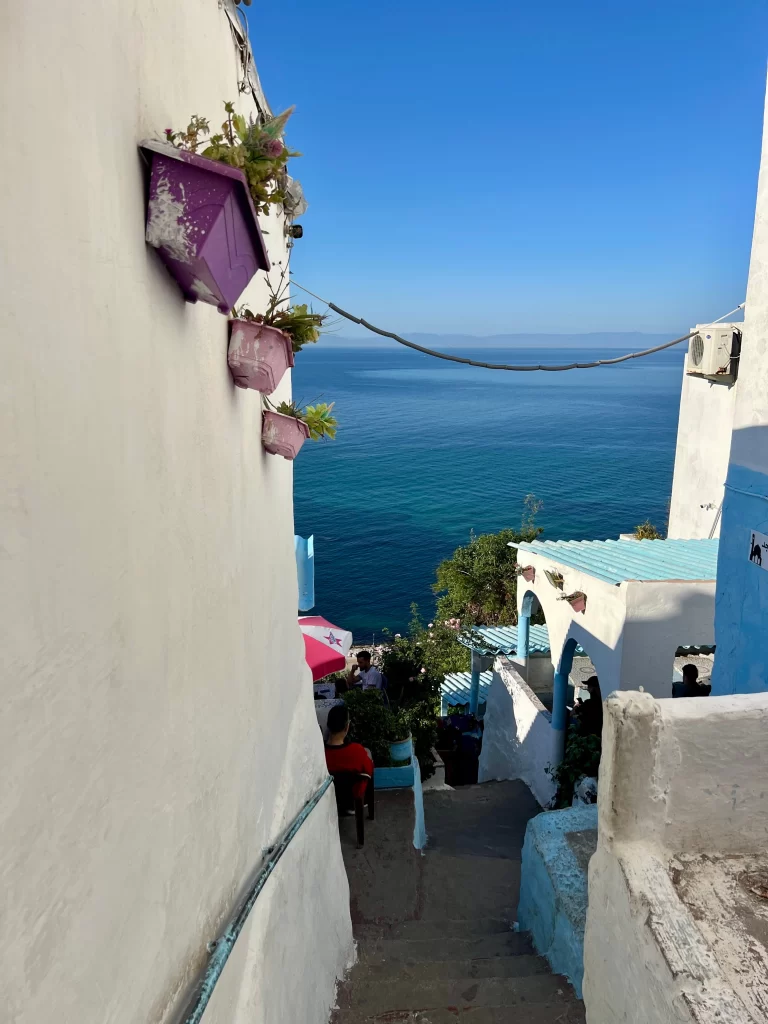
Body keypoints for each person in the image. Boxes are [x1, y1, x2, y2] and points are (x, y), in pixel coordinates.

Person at [324, 704, 374, 803]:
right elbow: (369, 770)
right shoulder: (357, 751)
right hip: (352, 800)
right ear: (347, 727)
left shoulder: (320, 752)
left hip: (327, 800)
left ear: (328, 725)